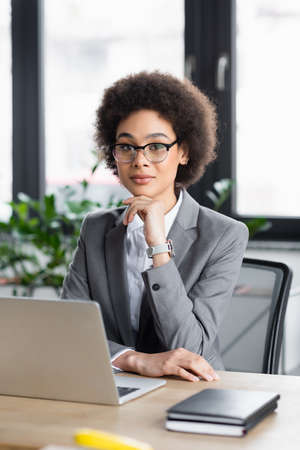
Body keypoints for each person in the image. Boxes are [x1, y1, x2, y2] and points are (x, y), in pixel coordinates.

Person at [61, 71, 248, 382]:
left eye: (156, 146)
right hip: (112, 387)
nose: (140, 161)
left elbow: (191, 348)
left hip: (191, 391)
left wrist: (159, 247)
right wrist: (135, 361)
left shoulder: (224, 235)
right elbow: (67, 330)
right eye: (126, 147)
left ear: (184, 151)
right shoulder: (95, 229)